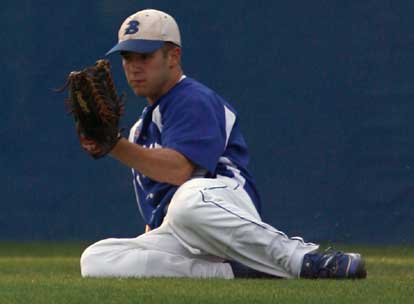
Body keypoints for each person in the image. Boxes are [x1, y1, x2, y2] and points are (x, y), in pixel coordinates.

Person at [80, 8, 367, 279]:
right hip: (183, 229)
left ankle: (304, 258)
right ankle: (236, 272)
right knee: (96, 258)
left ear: (173, 56)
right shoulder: (140, 131)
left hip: (222, 205)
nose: (134, 67)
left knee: (187, 201)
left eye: (145, 55)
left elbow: (180, 171)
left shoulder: (192, 99)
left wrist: (115, 146)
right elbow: (155, 211)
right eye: (128, 57)